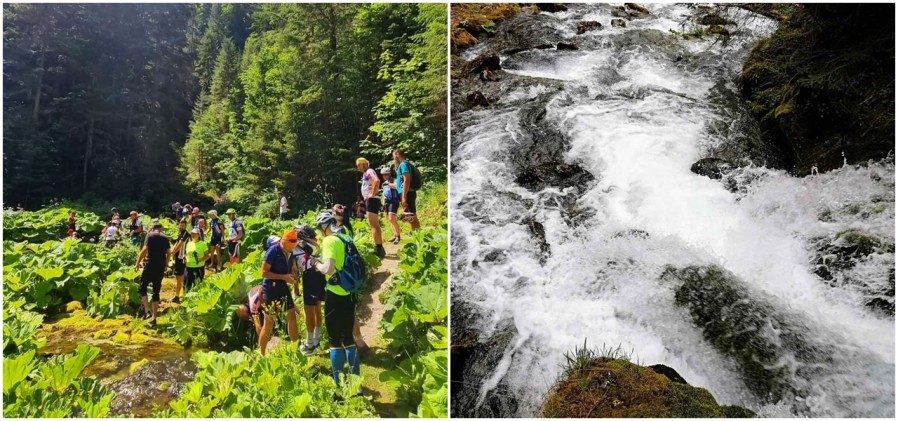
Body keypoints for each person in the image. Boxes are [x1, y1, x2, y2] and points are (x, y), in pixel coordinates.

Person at [314, 211, 361, 388]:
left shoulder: (329, 240)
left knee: (334, 341)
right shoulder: (346, 238)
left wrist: (315, 264)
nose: (319, 232)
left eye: (320, 228)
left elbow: (328, 268)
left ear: (325, 226)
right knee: (348, 338)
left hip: (334, 293)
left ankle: (338, 385)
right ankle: (357, 385)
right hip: (350, 292)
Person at [259, 230, 301, 355]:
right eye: (290, 247)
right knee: (269, 323)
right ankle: (261, 353)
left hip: (283, 287)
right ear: (284, 242)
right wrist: (284, 277)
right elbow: (264, 273)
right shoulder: (273, 251)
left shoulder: (290, 252)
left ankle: (296, 350)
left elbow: (293, 269)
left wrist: (295, 283)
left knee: (291, 317)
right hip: (270, 288)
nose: (291, 249)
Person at [293, 224, 325, 355]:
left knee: (309, 310)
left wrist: (296, 287)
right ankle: (316, 339)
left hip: (309, 276)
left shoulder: (294, 247)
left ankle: (309, 344)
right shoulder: (313, 245)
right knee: (317, 308)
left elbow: (294, 270)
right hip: (320, 273)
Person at [135, 220, 169, 326]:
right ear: (161, 229)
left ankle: (147, 311)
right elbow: (169, 253)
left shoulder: (150, 236)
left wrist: (137, 263)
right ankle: (154, 317)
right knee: (156, 291)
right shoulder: (165, 238)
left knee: (143, 286)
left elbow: (145, 249)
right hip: (160, 267)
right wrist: (166, 265)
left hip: (150, 264)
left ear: (153, 228)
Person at [356, 158, 386, 258]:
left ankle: (379, 249)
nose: (357, 168)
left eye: (358, 165)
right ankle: (379, 247)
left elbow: (377, 180)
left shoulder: (369, 171)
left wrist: (372, 194)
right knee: (374, 225)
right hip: (370, 200)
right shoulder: (366, 174)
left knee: (374, 225)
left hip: (372, 200)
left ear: (363, 164)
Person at [393, 149, 421, 230]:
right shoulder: (403, 165)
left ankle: (419, 238)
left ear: (397, 155)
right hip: (406, 193)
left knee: (411, 216)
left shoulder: (403, 165)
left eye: (394, 156)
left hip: (407, 193)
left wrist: (404, 197)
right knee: (410, 216)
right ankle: (417, 235)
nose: (393, 159)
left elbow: (407, 180)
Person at [184, 227, 210, 292]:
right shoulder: (189, 243)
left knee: (197, 284)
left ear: (199, 235)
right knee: (187, 284)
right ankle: (186, 296)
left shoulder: (203, 244)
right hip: (189, 267)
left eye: (195, 234)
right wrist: (186, 259)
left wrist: (200, 260)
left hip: (199, 267)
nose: (193, 235)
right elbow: (186, 254)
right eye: (192, 234)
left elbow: (207, 255)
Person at [381, 168, 402, 244]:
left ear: (390, 174)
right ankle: (395, 235)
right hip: (387, 202)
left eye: (386, 174)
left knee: (392, 218)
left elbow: (397, 186)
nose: (385, 176)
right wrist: (383, 202)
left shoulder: (394, 180)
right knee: (390, 220)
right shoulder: (384, 183)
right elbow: (384, 193)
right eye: (383, 175)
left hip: (394, 201)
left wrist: (389, 184)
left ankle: (398, 236)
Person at [171, 219, 189, 303]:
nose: (181, 227)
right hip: (178, 257)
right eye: (180, 225)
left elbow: (180, 243)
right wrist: (172, 250)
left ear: (186, 226)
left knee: (181, 277)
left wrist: (174, 251)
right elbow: (177, 243)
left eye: (183, 225)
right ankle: (177, 296)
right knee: (178, 277)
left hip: (182, 258)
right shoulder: (180, 233)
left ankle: (185, 295)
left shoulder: (185, 234)